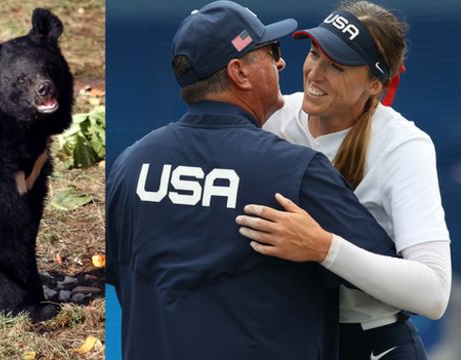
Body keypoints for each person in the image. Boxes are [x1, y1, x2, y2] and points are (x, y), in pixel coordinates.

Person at [106, 1, 397, 359]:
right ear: (239, 73)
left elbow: (121, 279)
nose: (281, 62)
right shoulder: (295, 170)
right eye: (271, 51)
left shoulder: (130, 165)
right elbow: (385, 282)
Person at [235, 2, 452, 359]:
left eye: (336, 65)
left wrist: (324, 247)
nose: (315, 73)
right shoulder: (274, 117)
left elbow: (434, 293)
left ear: (374, 83)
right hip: (287, 337)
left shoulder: (403, 146)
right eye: (313, 53)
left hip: (373, 342)